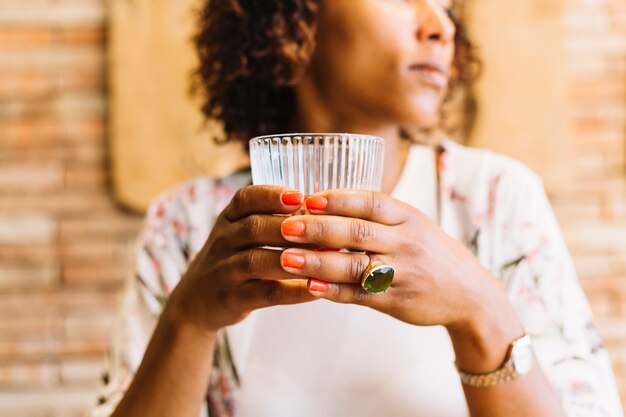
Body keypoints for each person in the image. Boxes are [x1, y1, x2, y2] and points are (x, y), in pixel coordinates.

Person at [88, 1, 624, 416]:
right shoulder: (184, 225)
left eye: (446, 6)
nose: (441, 26)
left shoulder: (496, 198)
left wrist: (481, 310)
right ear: (294, 20)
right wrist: (188, 319)